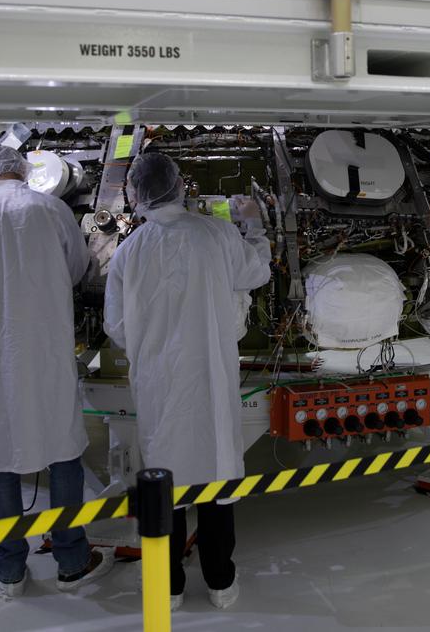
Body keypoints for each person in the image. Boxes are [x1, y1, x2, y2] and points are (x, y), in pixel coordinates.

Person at [103, 152, 272, 611]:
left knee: (166, 481)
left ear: (136, 194)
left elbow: (116, 327)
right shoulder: (215, 234)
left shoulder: (129, 251)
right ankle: (221, 582)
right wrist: (254, 224)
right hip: (211, 377)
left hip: (158, 383)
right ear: (181, 186)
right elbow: (256, 272)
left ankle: (170, 587)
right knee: (216, 473)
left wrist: (151, 341)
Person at [0, 144, 112, 600]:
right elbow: (78, 267)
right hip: (46, 347)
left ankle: (10, 571)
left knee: (0, 454)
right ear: (24, 171)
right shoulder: (52, 209)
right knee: (63, 449)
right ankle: (72, 561)